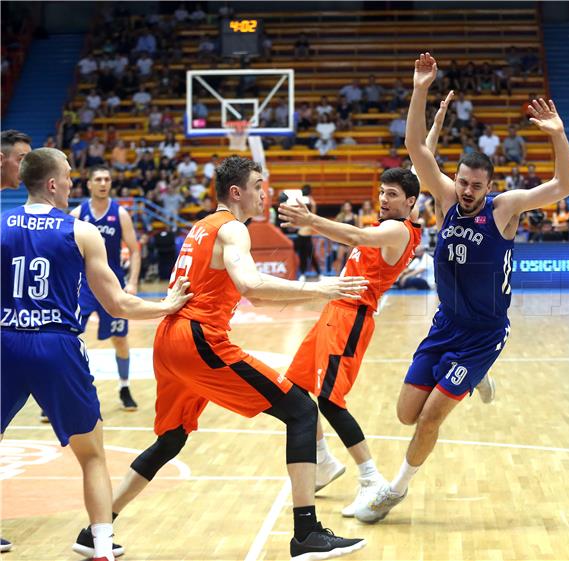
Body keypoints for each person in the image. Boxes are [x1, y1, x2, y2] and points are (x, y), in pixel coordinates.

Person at [71, 156, 368, 560]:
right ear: (237, 192)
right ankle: (306, 534)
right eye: (258, 185)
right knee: (301, 411)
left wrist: (311, 294)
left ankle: (96, 530)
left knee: (171, 439)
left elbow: (255, 293)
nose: (264, 193)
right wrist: (319, 288)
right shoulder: (232, 228)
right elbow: (250, 283)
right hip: (198, 339)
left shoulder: (202, 227)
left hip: (169, 340)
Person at [354, 52, 569, 523]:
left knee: (431, 419)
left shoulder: (505, 208)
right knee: (405, 414)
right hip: (445, 324)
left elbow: (565, 184)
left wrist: (557, 134)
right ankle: (473, 381)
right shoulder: (444, 198)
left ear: (489, 185)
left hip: (482, 334)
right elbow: (416, 146)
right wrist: (420, 88)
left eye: (476, 184)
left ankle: (394, 491)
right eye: (462, 182)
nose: (467, 190)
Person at [2, 147, 191, 561]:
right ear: (52, 184)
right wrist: (167, 305)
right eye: (68, 176)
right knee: (91, 456)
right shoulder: (80, 231)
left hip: (5, 342)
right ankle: (101, 548)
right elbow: (120, 305)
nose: (73, 182)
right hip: (56, 345)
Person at [278, 166, 421, 519]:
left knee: (329, 400)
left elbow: (357, 237)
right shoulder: (393, 220)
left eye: (392, 194)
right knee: (295, 387)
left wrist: (311, 219)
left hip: (351, 317)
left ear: (411, 202)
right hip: (334, 310)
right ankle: (323, 459)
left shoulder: (397, 230)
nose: (384, 199)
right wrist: (426, 125)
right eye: (382, 192)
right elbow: (418, 158)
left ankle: (371, 478)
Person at [70, 165, 142, 411]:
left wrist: (132, 281)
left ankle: (124, 387)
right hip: (84, 287)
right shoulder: (78, 213)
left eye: (107, 179)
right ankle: (63, 390)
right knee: (68, 337)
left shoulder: (120, 214)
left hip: (112, 286)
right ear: (89, 184)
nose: (103, 183)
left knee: (120, 339)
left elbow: (134, 249)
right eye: (98, 179)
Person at [294, 185, 321, 281]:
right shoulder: (301, 212)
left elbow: (314, 205)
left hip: (307, 237)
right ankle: (302, 274)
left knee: (311, 256)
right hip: (300, 236)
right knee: (302, 257)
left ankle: (319, 273)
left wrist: (309, 197)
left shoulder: (311, 215)